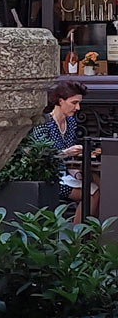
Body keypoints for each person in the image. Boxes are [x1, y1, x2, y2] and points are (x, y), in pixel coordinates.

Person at [29, 79, 100, 222]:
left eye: (79, 103)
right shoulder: (44, 122)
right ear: (61, 101)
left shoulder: (71, 122)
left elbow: (69, 161)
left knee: (97, 187)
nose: (78, 108)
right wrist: (66, 153)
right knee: (92, 193)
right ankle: (78, 236)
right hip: (48, 178)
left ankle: (84, 234)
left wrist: (78, 173)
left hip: (66, 175)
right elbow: (40, 156)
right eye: (74, 103)